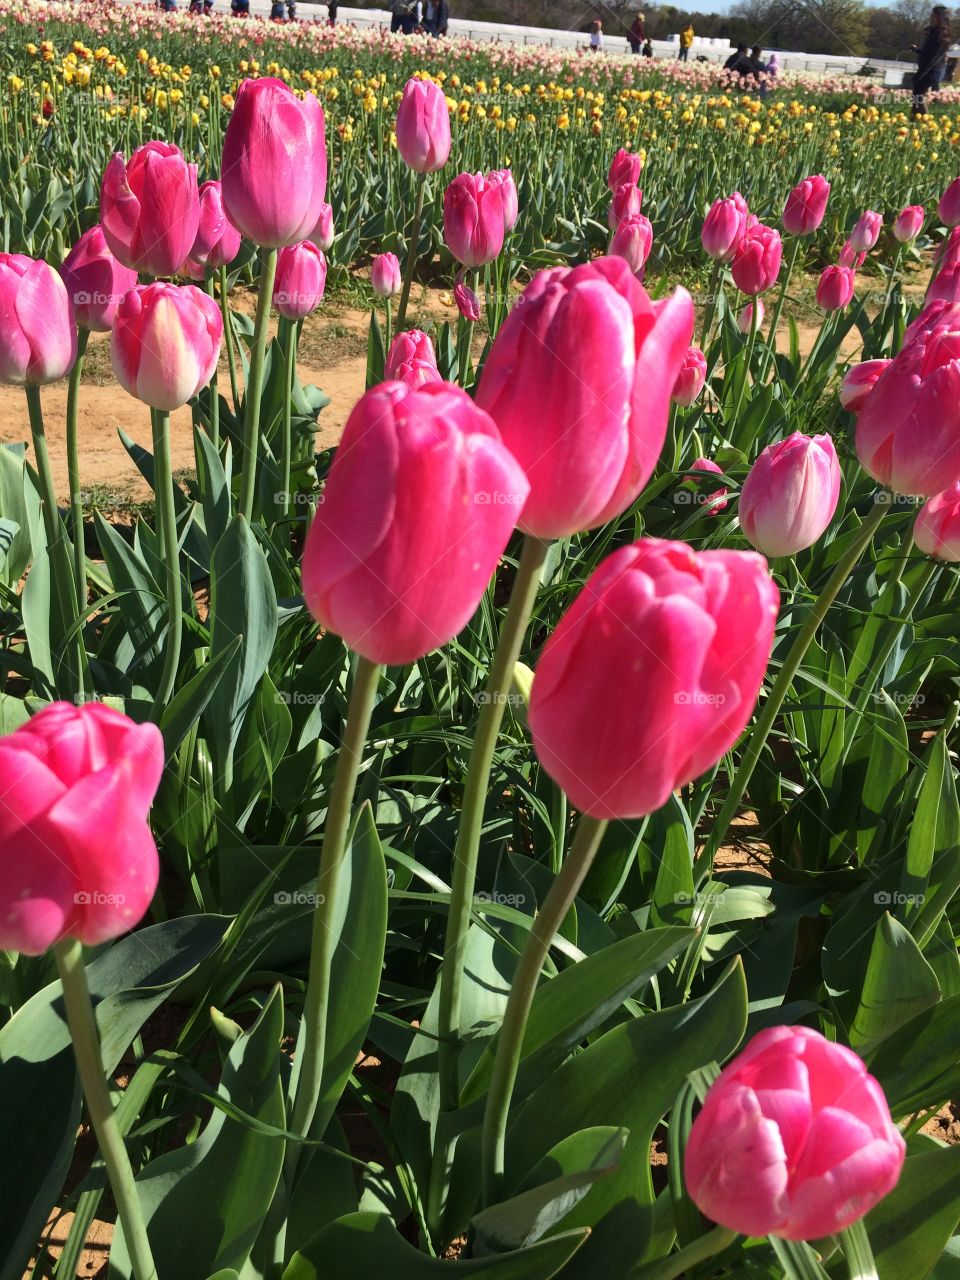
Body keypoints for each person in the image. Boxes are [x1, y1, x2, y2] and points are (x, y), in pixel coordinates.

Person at [913, 6, 951, 112]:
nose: (931, 17)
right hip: (926, 69)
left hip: (930, 71)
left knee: (919, 97)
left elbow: (934, 57)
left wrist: (922, 74)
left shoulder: (941, 35)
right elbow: (928, 53)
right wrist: (917, 50)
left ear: (939, 17)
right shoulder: (934, 33)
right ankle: (915, 117)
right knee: (917, 97)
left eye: (933, 15)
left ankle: (924, 118)